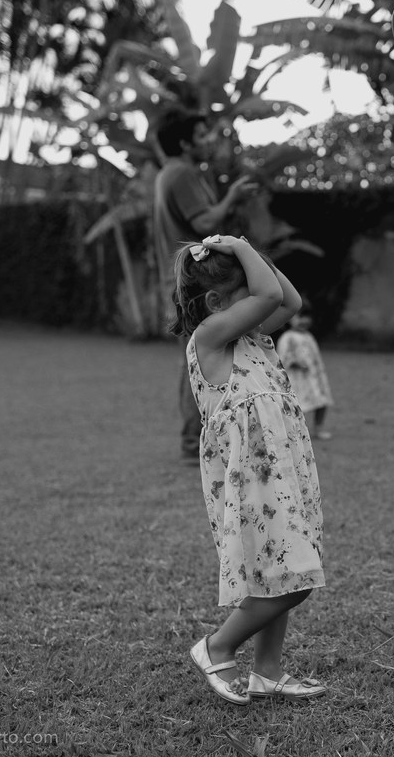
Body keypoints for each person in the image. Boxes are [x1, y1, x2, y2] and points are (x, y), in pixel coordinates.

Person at [171, 234, 326, 705]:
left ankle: (268, 672)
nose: (259, 309)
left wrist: (246, 249)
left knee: (275, 572)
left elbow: (288, 299)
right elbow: (273, 296)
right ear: (216, 303)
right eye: (246, 297)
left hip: (281, 466)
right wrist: (240, 247)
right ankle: (216, 646)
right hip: (253, 476)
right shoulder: (209, 339)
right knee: (296, 577)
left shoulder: (252, 338)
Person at [153, 110, 258, 459]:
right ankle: (193, 441)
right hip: (196, 282)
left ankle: (199, 437)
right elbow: (204, 221)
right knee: (198, 357)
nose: (208, 140)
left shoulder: (169, 173)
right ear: (184, 143)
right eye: (200, 135)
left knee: (195, 355)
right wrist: (232, 198)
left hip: (185, 278)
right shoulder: (181, 173)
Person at [275, 300, 335, 440]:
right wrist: (295, 363)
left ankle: (318, 428)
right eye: (300, 316)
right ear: (289, 318)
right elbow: (282, 358)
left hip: (314, 377)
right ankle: (296, 430)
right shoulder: (287, 338)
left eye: (307, 317)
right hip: (298, 379)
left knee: (321, 401)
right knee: (299, 405)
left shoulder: (309, 336)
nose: (305, 321)